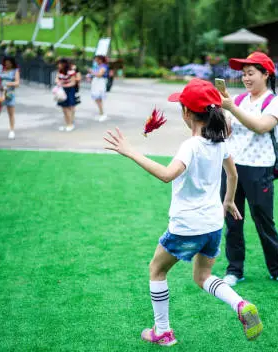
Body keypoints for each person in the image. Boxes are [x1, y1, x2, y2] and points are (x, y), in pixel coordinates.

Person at [103, 78, 263, 346]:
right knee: (202, 277)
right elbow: (232, 173)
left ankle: (163, 332)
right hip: (212, 225)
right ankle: (240, 304)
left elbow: (167, 175)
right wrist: (229, 200)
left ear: (187, 113)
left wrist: (131, 152)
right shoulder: (220, 142)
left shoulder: (191, 146)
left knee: (157, 269)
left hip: (187, 226)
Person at [219, 51, 278, 286]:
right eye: (243, 74)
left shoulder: (275, 102)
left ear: (266, 74)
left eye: (251, 73)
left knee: (263, 220)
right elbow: (228, 129)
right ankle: (235, 270)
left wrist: (232, 108)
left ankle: (277, 269)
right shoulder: (240, 100)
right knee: (232, 221)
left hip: (260, 169)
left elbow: (261, 127)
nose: (246, 78)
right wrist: (222, 114)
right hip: (232, 167)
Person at [0, 56, 20, 140]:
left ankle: (11, 130)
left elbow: (17, 83)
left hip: (10, 94)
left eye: (9, 63)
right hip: (0, 93)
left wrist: (7, 83)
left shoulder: (15, 70)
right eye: (6, 62)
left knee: (11, 113)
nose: (7, 64)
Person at [55, 58, 79, 132]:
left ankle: (70, 124)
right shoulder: (60, 72)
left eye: (60, 64)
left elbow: (73, 83)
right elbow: (56, 79)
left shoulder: (71, 72)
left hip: (69, 91)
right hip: (62, 91)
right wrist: (59, 83)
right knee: (64, 109)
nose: (58, 65)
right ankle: (67, 124)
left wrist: (63, 84)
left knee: (68, 108)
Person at [88, 55, 109, 121]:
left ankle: (102, 114)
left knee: (99, 99)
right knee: (97, 99)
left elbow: (99, 75)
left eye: (97, 60)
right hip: (97, 83)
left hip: (100, 84)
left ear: (100, 60)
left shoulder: (103, 66)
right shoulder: (99, 66)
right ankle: (101, 113)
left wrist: (92, 72)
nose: (96, 61)